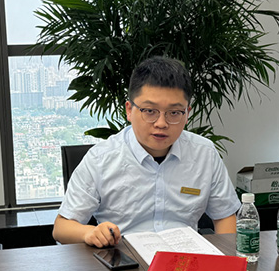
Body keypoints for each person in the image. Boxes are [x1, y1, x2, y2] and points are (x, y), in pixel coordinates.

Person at [53, 56, 241, 247]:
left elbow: (224, 216)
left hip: (185, 259)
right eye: (150, 111)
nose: (161, 123)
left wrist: (227, 258)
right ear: (129, 110)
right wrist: (90, 232)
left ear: (187, 114)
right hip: (124, 259)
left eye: (174, 113)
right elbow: (61, 228)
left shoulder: (205, 154)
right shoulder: (101, 159)